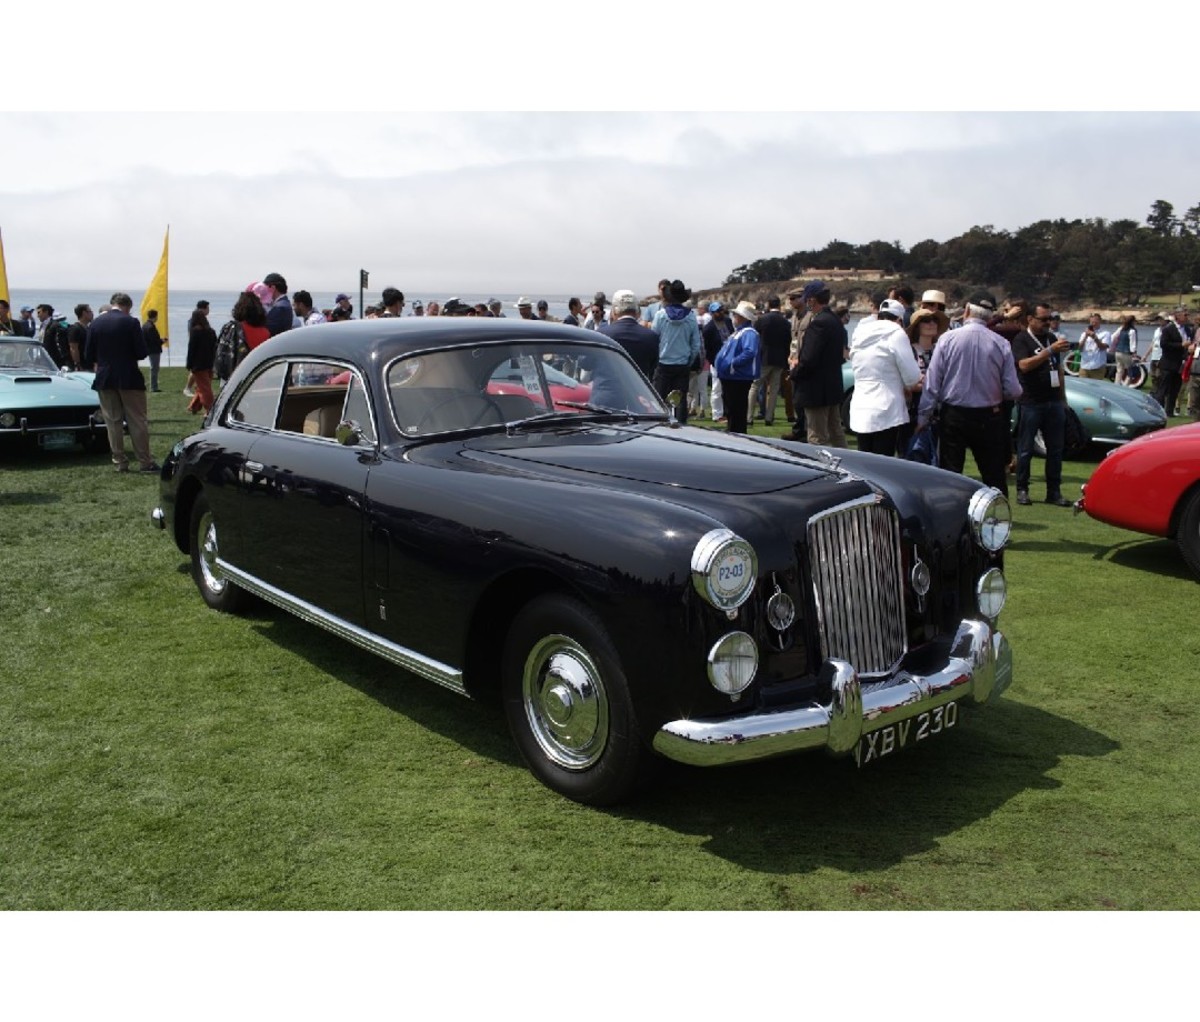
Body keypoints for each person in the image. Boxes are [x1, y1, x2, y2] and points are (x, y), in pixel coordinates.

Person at [917, 292, 1022, 496]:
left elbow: (932, 383)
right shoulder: (1001, 343)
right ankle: (998, 518)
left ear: (966, 310)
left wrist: (924, 416)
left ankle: (949, 517)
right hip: (988, 415)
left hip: (954, 414)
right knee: (993, 474)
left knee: (950, 472)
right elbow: (1013, 389)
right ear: (991, 317)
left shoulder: (947, 339)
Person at [83, 292, 158, 473]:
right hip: (129, 376)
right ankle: (144, 461)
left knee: (112, 421)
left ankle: (119, 461)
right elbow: (141, 352)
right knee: (137, 420)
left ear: (112, 304)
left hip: (105, 376)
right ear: (128, 306)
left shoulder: (96, 323)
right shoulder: (131, 322)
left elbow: (88, 355)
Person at [1012, 304, 1073, 506]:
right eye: (1043, 319)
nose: (1048, 323)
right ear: (1030, 319)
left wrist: (1063, 400)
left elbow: (1059, 369)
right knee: (1026, 448)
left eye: (1050, 319)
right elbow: (1024, 365)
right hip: (1031, 401)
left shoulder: (1051, 338)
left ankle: (1053, 491)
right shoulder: (1022, 339)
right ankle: (1022, 489)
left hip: (1053, 401)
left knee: (1055, 449)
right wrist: (1048, 351)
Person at [848, 298, 922, 456]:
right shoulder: (896, 333)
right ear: (900, 320)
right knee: (883, 461)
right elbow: (912, 377)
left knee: (864, 460)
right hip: (888, 408)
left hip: (860, 406)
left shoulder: (859, 333)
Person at [790, 280, 847, 447]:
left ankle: (822, 470)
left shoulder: (819, 323)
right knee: (836, 431)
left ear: (812, 300)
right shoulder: (835, 320)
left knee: (816, 436)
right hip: (832, 385)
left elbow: (809, 359)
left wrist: (794, 373)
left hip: (816, 389)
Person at [649, 279, 702, 424]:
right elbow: (696, 344)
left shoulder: (660, 315)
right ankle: (681, 426)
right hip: (682, 363)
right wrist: (689, 361)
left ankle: (657, 425)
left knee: (659, 399)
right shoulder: (691, 316)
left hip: (663, 362)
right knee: (680, 399)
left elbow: (654, 338)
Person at [714, 301, 762, 434]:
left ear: (743, 317)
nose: (734, 317)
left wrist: (733, 363)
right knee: (731, 408)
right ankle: (732, 430)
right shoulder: (739, 332)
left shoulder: (749, 333)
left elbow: (749, 352)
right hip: (731, 376)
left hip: (738, 377)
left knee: (737, 409)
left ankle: (737, 432)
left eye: (736, 315)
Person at [748, 296, 791, 427]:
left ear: (768, 304)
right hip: (779, 359)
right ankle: (769, 417)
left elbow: (754, 337)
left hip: (764, 357)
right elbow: (787, 342)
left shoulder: (762, 320)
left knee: (755, 386)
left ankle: (749, 416)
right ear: (779, 306)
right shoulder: (785, 323)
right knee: (773, 390)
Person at [599, 289, 659, 381]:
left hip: (607, 390)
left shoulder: (601, 334)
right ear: (638, 312)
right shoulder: (651, 337)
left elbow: (588, 364)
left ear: (614, 311)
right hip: (636, 391)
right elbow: (652, 367)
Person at [1153, 307, 1189, 417]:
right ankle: (1158, 411)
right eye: (1185, 315)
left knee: (1175, 389)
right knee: (1163, 389)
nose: (1187, 317)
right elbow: (1164, 344)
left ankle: (1170, 411)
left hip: (1180, 364)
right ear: (1177, 316)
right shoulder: (1168, 329)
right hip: (1168, 363)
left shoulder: (1187, 329)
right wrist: (1180, 345)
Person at [702, 301, 732, 422]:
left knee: (729, 389)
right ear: (712, 313)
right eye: (717, 311)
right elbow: (707, 348)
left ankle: (727, 412)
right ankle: (717, 414)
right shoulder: (708, 329)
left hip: (730, 360)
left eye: (721, 310)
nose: (720, 313)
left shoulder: (728, 322)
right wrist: (713, 362)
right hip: (717, 362)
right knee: (717, 388)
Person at [186, 309, 218, 414]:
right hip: (209, 362)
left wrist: (189, 364)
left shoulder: (195, 332)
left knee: (204, 388)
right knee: (203, 385)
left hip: (198, 364)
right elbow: (215, 347)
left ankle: (210, 409)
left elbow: (192, 349)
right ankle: (194, 406)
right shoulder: (211, 331)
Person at [1077, 313, 1111, 380]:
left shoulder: (1105, 333)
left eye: (1095, 322)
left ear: (1099, 321)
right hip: (1084, 366)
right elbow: (1080, 348)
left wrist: (1095, 338)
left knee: (1095, 389)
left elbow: (1103, 347)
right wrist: (1085, 337)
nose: (1093, 324)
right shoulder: (1083, 334)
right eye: (1092, 322)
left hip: (1097, 367)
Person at [1112, 315, 1139, 385]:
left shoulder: (1121, 328)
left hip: (1118, 352)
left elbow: (1113, 337)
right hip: (1126, 353)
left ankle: (1116, 385)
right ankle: (1125, 386)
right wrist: (1134, 353)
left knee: (1119, 371)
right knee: (1130, 372)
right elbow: (1132, 344)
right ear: (1133, 322)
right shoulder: (1132, 331)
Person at [142, 309, 164, 391]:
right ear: (155, 316)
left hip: (149, 349)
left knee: (154, 367)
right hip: (153, 349)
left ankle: (153, 386)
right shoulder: (150, 327)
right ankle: (154, 387)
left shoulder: (145, 325)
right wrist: (162, 341)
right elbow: (154, 340)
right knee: (154, 368)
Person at [67, 303, 93, 370]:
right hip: (81, 365)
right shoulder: (75, 329)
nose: (92, 314)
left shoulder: (88, 328)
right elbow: (73, 348)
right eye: (90, 311)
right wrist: (77, 364)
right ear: (84, 313)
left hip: (89, 363)